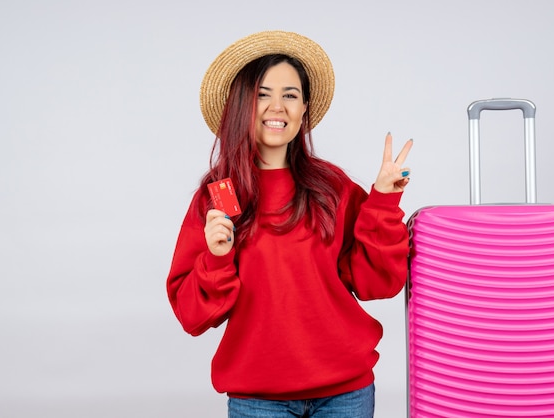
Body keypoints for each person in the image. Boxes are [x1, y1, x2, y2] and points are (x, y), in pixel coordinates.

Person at [166, 30, 413, 418]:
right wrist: (216, 258)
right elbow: (192, 316)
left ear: (304, 109)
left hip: (345, 394)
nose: (276, 107)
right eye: (262, 94)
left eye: (290, 95)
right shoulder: (220, 196)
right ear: (241, 105)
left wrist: (382, 199)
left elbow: (377, 282)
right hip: (257, 399)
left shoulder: (332, 188)